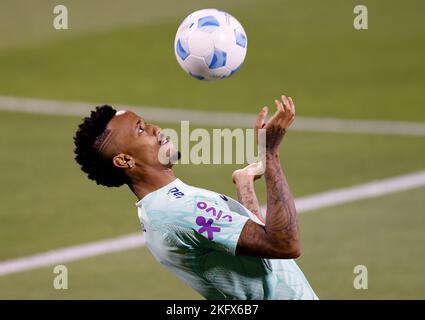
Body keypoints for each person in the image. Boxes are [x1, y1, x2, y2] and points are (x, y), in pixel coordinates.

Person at [73, 94, 318, 299]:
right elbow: (284, 244)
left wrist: (245, 187)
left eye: (145, 122)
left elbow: (256, 250)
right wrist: (270, 154)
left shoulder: (164, 205)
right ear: (125, 160)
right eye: (140, 129)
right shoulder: (178, 210)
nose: (155, 129)